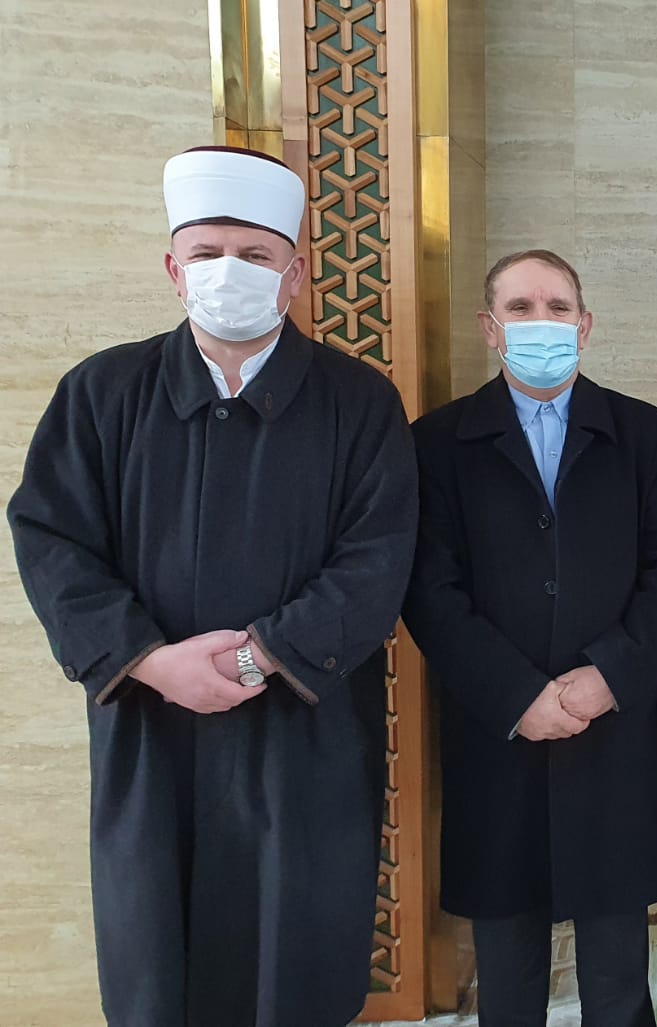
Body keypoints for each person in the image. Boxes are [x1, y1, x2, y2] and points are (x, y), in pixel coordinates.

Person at [7, 145, 417, 1027]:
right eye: (207, 252)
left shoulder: (360, 402)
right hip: (152, 730)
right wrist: (148, 659)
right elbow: (51, 538)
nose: (229, 270)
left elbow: (379, 554)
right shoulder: (101, 393)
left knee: (296, 963)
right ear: (172, 268)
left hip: (302, 731)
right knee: (160, 962)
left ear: (295, 275)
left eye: (256, 254)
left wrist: (260, 656)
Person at [403, 249, 657, 1027]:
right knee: (507, 976)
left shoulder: (642, 432)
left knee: (618, 978)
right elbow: (429, 590)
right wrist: (517, 695)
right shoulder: (437, 443)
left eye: (558, 307)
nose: (542, 322)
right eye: (521, 307)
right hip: (497, 735)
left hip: (613, 734)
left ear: (585, 324)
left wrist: (609, 675)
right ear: (489, 327)